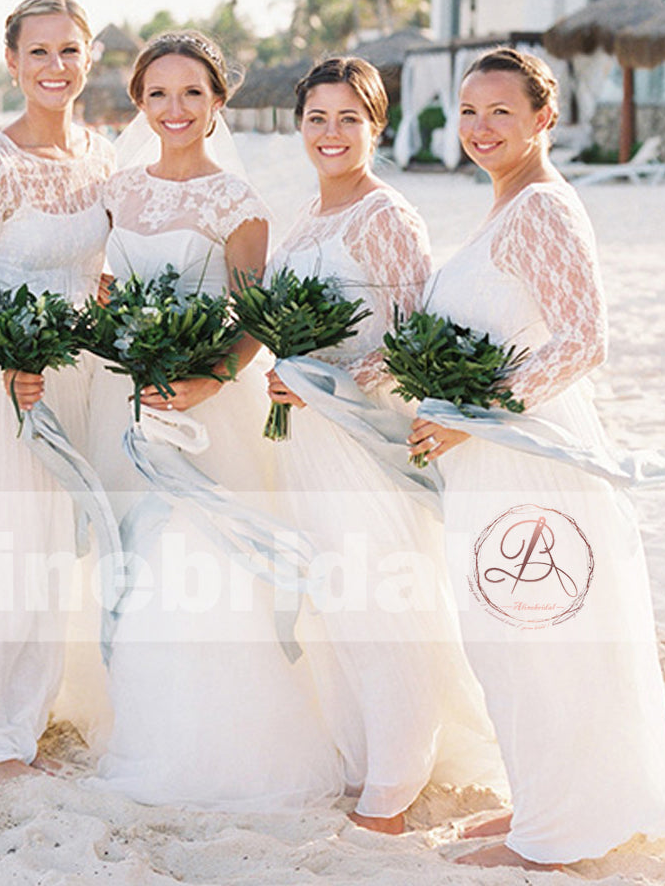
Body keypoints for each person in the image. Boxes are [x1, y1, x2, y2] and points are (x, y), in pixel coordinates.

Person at [409, 46, 665, 867]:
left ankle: (560, 832)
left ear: (545, 119)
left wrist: (478, 416)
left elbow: (584, 341)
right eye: (469, 110)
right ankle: (544, 798)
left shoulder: (544, 208)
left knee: (538, 631)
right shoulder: (508, 208)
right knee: (510, 637)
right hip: (493, 456)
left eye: (501, 111)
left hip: (529, 454)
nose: (480, 127)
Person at [88, 31, 342, 810]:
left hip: (207, 403)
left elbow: (255, 318)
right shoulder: (119, 190)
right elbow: (104, 289)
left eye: (192, 93)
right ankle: (153, 729)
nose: (175, 109)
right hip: (132, 396)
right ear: (138, 101)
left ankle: (232, 744)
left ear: (217, 103)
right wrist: (122, 343)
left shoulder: (238, 202)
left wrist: (205, 378)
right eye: (158, 93)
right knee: (142, 557)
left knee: (208, 560)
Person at [265, 57, 499, 833]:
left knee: (381, 602)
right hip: (304, 442)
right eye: (317, 119)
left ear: (377, 126)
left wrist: (320, 382)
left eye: (349, 120)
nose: (331, 134)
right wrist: (286, 376)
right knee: (336, 605)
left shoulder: (387, 216)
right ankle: (366, 759)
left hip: (360, 440)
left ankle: (394, 790)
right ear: (298, 126)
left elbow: (408, 345)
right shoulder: (307, 218)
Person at [0, 0, 114, 786]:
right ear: (12, 63)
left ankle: (27, 725)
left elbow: (102, 273)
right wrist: (6, 358)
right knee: (0, 558)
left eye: (69, 51)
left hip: (78, 383)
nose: (55, 67)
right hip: (2, 383)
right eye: (38, 52)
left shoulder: (105, 155)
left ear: (91, 59)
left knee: (54, 560)